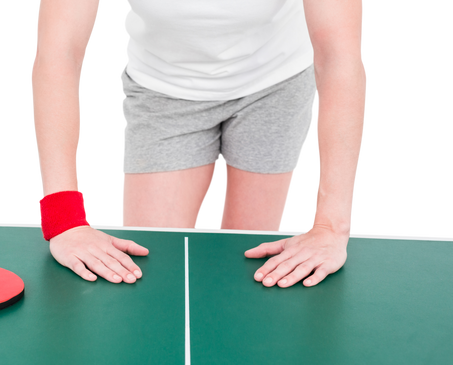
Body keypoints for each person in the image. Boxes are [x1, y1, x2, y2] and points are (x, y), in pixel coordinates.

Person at [30, 0, 367, 288]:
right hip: (164, 86)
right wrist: (65, 219)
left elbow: (341, 58)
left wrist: (330, 227)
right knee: (150, 269)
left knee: (250, 269)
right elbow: (59, 54)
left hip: (274, 82)